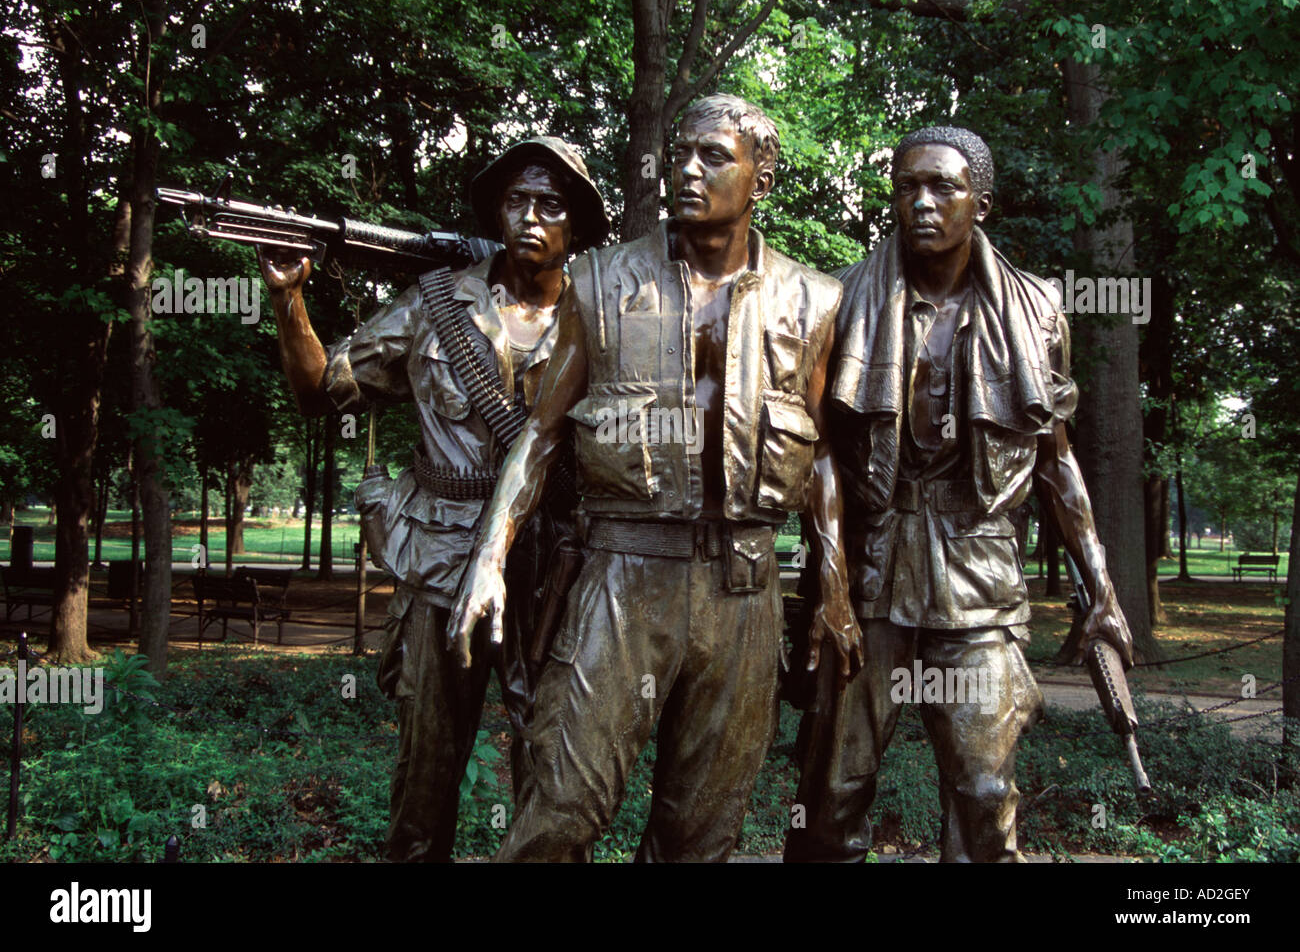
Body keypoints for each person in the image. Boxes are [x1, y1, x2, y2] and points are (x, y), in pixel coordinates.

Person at [449, 94, 863, 862]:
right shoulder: (602, 284)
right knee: (559, 813)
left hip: (744, 592)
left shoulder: (815, 300)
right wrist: (489, 559)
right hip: (622, 578)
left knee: (700, 837)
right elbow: (541, 436)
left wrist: (834, 590)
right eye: (680, 154)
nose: (688, 170)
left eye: (713, 156)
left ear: (760, 177)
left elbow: (826, 457)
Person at [784, 126, 1134, 863]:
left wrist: (1099, 584)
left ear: (982, 201)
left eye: (944, 186)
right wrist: (830, 583)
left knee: (982, 792)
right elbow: (815, 451)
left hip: (979, 570)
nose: (923, 202)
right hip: (871, 569)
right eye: (908, 186)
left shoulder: (1036, 312)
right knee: (832, 792)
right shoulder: (842, 301)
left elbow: (1055, 463)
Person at [257, 136, 610, 862]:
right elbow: (320, 393)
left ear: (575, 225)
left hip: (557, 569)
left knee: (554, 773)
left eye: (550, 204)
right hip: (442, 561)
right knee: (425, 775)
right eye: (516, 201)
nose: (530, 217)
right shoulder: (436, 304)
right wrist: (289, 298)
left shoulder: (606, 320)